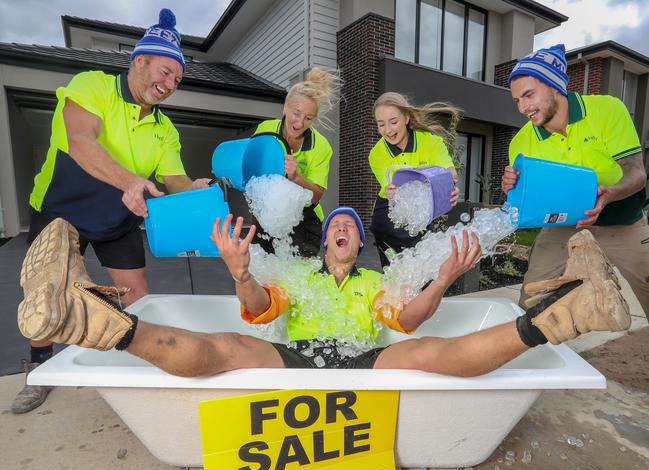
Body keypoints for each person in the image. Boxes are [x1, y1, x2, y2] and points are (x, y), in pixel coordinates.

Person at [16, 207, 630, 376]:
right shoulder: (298, 276)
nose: (341, 229)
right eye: (334, 224)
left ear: (358, 245)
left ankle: (566, 315)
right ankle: (90, 322)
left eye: (351, 229)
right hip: (297, 357)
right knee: (228, 345)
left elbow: (410, 321)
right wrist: (238, 272)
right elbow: (259, 314)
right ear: (323, 241)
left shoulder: (375, 280)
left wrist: (442, 279)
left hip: (364, 359)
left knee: (428, 356)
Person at [11, 9, 211, 414]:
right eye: (165, 71)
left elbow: (174, 178)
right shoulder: (92, 86)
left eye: (177, 79)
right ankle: (39, 366)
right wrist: (131, 183)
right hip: (62, 207)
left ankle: (138, 361)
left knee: (137, 294)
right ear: (140, 60)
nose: (169, 84)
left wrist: (194, 192)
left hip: (119, 214)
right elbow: (81, 142)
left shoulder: (165, 128)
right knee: (45, 291)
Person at [502, 44, 649, 318]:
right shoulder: (521, 142)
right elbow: (524, 202)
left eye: (529, 95)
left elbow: (637, 173)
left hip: (623, 220)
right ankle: (528, 353)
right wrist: (512, 189)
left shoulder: (607, 110)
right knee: (532, 296)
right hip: (563, 224)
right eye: (517, 100)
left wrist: (610, 193)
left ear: (555, 85)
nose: (523, 107)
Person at [252, 67, 340, 258]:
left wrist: (296, 177)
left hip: (304, 219)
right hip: (267, 215)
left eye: (308, 118)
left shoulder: (322, 147)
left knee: (297, 282)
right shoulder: (265, 130)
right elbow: (250, 169)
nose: (300, 123)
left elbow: (316, 197)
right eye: (296, 113)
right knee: (262, 277)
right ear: (285, 107)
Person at [369, 92, 461, 268]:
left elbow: (450, 175)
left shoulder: (431, 142)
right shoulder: (376, 154)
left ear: (406, 118)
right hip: (389, 214)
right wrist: (392, 193)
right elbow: (390, 188)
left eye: (393, 122)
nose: (387, 130)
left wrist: (449, 188)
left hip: (421, 213)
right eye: (381, 124)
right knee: (395, 276)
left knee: (423, 273)